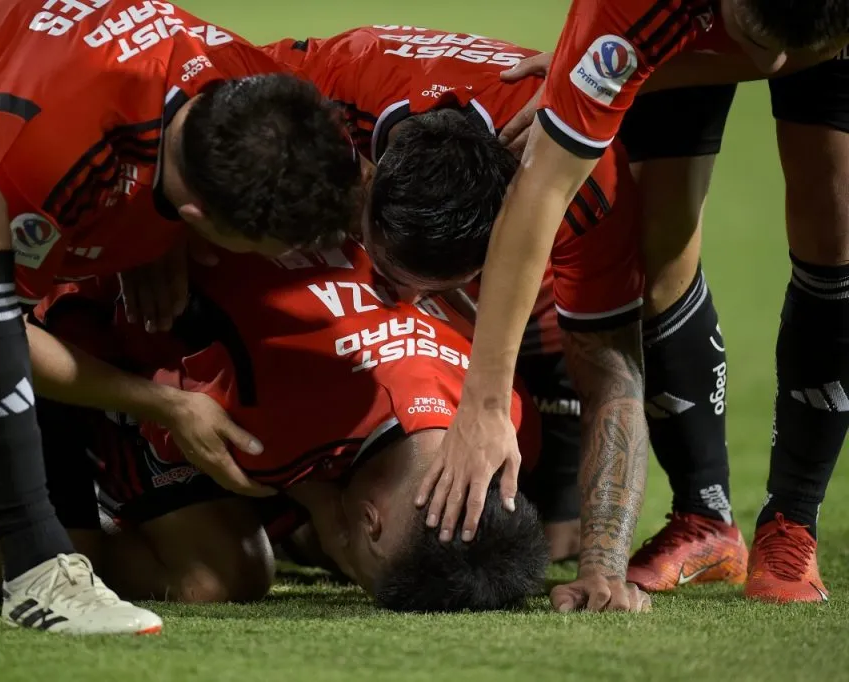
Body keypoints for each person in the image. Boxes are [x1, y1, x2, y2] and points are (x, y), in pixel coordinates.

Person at [0, 0, 361, 632]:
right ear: (200, 217)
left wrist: (149, 239)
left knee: (213, 575)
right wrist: (163, 405)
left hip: (7, 240)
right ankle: (35, 568)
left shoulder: (247, 84)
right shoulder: (55, 152)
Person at [394, 0, 849, 612]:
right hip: (673, 22)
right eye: (749, 31)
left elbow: (774, 55)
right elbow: (540, 192)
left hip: (797, 38)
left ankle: (792, 521)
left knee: (835, 238)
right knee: (654, 252)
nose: (765, 56)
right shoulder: (627, 6)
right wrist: (486, 403)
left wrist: (629, 72)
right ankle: (705, 516)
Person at [0, 240, 569, 612]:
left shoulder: (506, 415)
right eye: (359, 569)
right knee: (208, 575)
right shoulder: (271, 427)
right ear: (370, 520)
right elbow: (183, 426)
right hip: (35, 305)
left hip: (206, 280)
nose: (349, 576)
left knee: (272, 535)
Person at [264, 26, 656, 608]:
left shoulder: (589, 188)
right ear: (369, 176)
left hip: (543, 280)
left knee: (557, 535)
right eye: (385, 265)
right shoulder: (327, 86)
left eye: (433, 288)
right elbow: (182, 95)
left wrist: (604, 567)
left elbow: (614, 376)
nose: (401, 297)